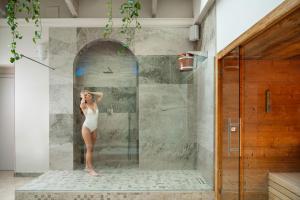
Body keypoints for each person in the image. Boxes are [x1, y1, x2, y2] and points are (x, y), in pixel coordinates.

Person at [80, 90, 103, 176]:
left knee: (91, 148)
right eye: (87, 95)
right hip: (86, 128)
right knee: (89, 147)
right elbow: (82, 102)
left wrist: (90, 92)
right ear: (85, 98)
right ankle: (91, 169)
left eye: (90, 95)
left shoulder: (95, 103)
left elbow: (101, 94)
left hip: (94, 128)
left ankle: (87, 166)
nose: (89, 96)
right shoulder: (83, 105)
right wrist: (83, 96)